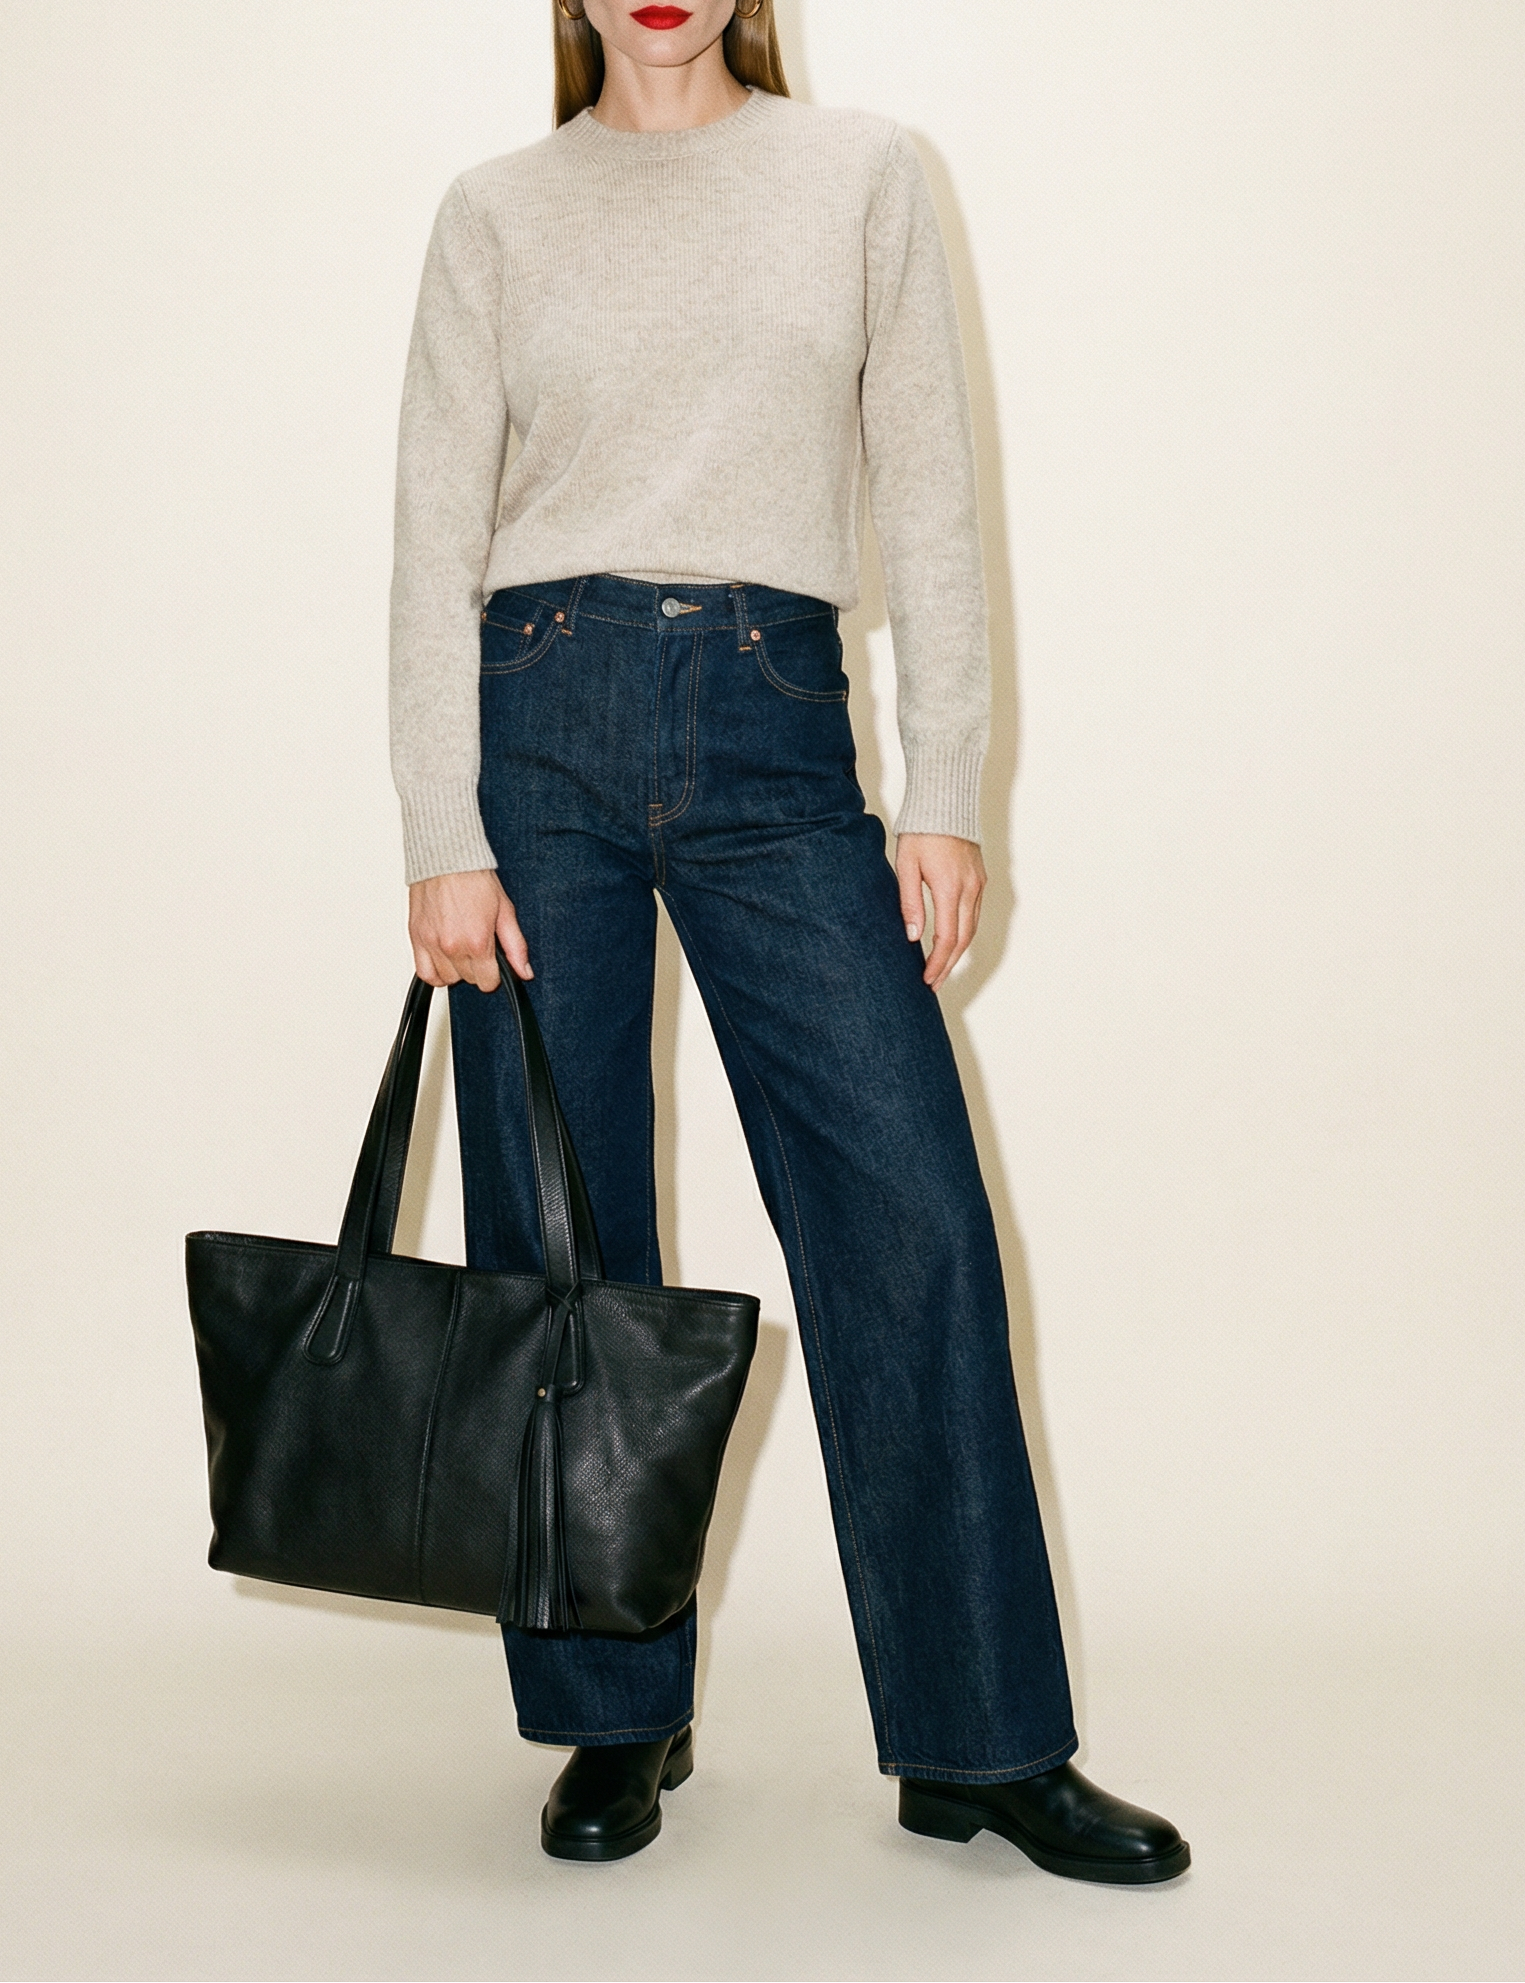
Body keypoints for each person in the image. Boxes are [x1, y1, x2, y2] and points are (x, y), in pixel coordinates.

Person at [390, 0, 1188, 1882]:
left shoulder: (862, 178)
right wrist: (441, 832)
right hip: (537, 723)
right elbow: (431, 543)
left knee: (910, 1213)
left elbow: (929, 488)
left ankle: (982, 1739)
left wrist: (945, 783)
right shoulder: (497, 210)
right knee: (562, 1245)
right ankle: (614, 1712)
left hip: (774, 727)